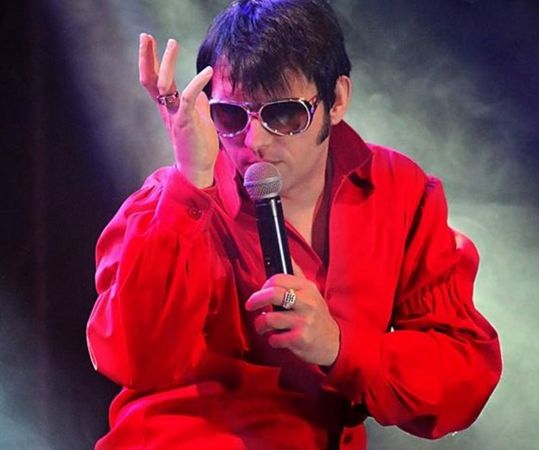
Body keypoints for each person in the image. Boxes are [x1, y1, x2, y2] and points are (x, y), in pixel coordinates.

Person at [86, 0, 502, 448]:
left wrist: (339, 347)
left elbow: (464, 372)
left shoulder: (398, 190)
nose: (254, 141)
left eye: (283, 114)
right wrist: (190, 184)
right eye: (231, 115)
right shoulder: (168, 201)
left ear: (337, 100)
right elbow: (129, 358)